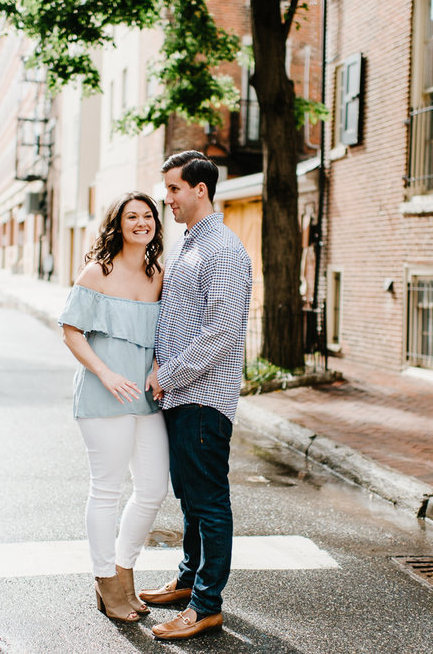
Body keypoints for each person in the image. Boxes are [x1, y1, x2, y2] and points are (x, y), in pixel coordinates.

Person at [142, 151, 253, 640]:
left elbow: (221, 331)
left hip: (203, 397)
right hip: (183, 395)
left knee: (209, 503)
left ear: (200, 190)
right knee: (191, 500)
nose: (167, 199)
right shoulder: (191, 244)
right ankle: (189, 581)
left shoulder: (222, 250)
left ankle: (207, 605)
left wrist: (171, 374)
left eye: (173, 189)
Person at [57, 192, 169, 623]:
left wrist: (158, 364)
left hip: (146, 397)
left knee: (153, 487)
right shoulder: (97, 271)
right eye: (132, 217)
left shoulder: (156, 271)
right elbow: (71, 331)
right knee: (106, 490)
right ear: (117, 225)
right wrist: (105, 373)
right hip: (105, 396)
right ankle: (105, 580)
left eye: (147, 216)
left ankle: (124, 569)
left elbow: (159, 332)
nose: (141, 223)